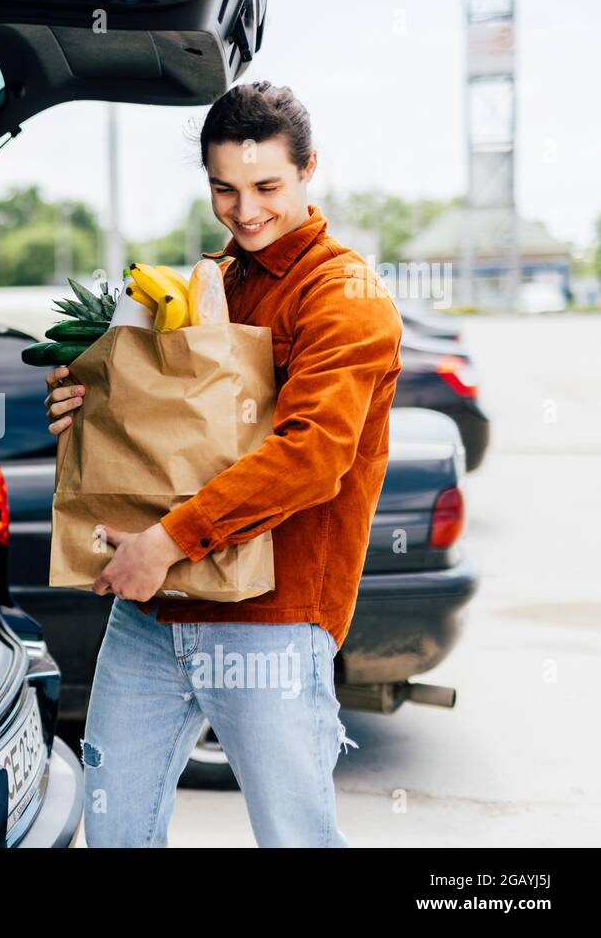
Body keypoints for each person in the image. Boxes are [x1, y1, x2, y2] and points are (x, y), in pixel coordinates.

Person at [44, 81, 403, 847]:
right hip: (154, 614)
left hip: (270, 622)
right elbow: (162, 429)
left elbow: (310, 456)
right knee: (113, 831)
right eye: (225, 190)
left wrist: (165, 541)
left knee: (295, 837)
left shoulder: (345, 295)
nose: (246, 212)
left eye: (268, 187)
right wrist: (88, 406)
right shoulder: (209, 282)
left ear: (310, 170)